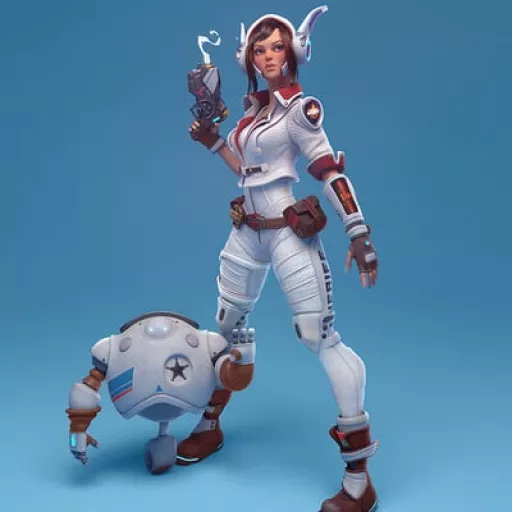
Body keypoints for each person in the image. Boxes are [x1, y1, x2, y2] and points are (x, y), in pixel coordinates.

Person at [178, 6, 379, 512]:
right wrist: (213, 141)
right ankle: (211, 422)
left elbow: (329, 169)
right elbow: (247, 171)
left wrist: (358, 230)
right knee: (226, 325)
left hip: (288, 232)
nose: (268, 56)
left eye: (276, 47)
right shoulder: (253, 112)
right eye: (259, 49)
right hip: (248, 230)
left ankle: (359, 480)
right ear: (248, 57)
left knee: (318, 336)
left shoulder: (299, 110)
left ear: (293, 53)